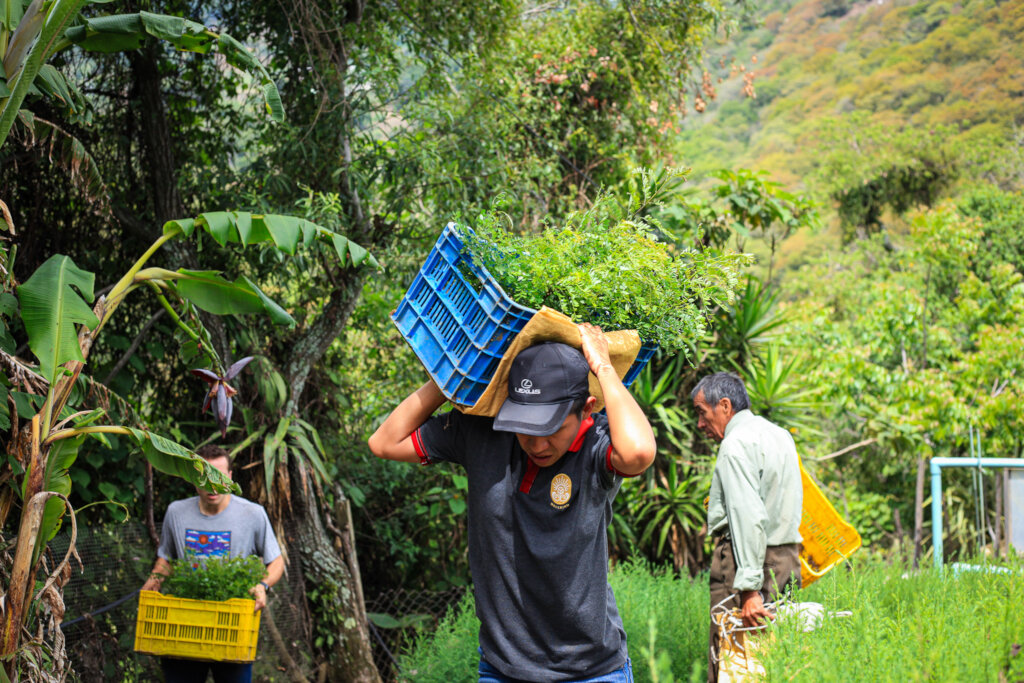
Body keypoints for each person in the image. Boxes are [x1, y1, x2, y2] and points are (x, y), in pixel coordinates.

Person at [369, 323, 656, 682]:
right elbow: (384, 443)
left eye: (551, 428)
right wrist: (453, 377)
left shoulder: (597, 445)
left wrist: (603, 367)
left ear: (586, 409)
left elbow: (639, 452)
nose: (537, 444)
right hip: (503, 669)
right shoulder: (482, 432)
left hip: (590, 671)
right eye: (525, 426)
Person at [690, 372, 802, 683]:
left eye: (702, 412)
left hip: (749, 563)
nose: (700, 423)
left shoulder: (735, 444)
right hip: (786, 559)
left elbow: (748, 516)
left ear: (725, 406)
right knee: (777, 661)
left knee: (733, 662)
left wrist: (750, 590)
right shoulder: (780, 435)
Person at [141, 444, 285, 683]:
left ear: (230, 477)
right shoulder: (176, 512)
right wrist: (155, 578)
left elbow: (277, 561)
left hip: (232, 626)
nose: (212, 484)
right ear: (193, 477)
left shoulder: (253, 514)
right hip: (185, 624)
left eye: (218, 476)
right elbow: (166, 559)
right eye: (204, 476)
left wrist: (263, 585)